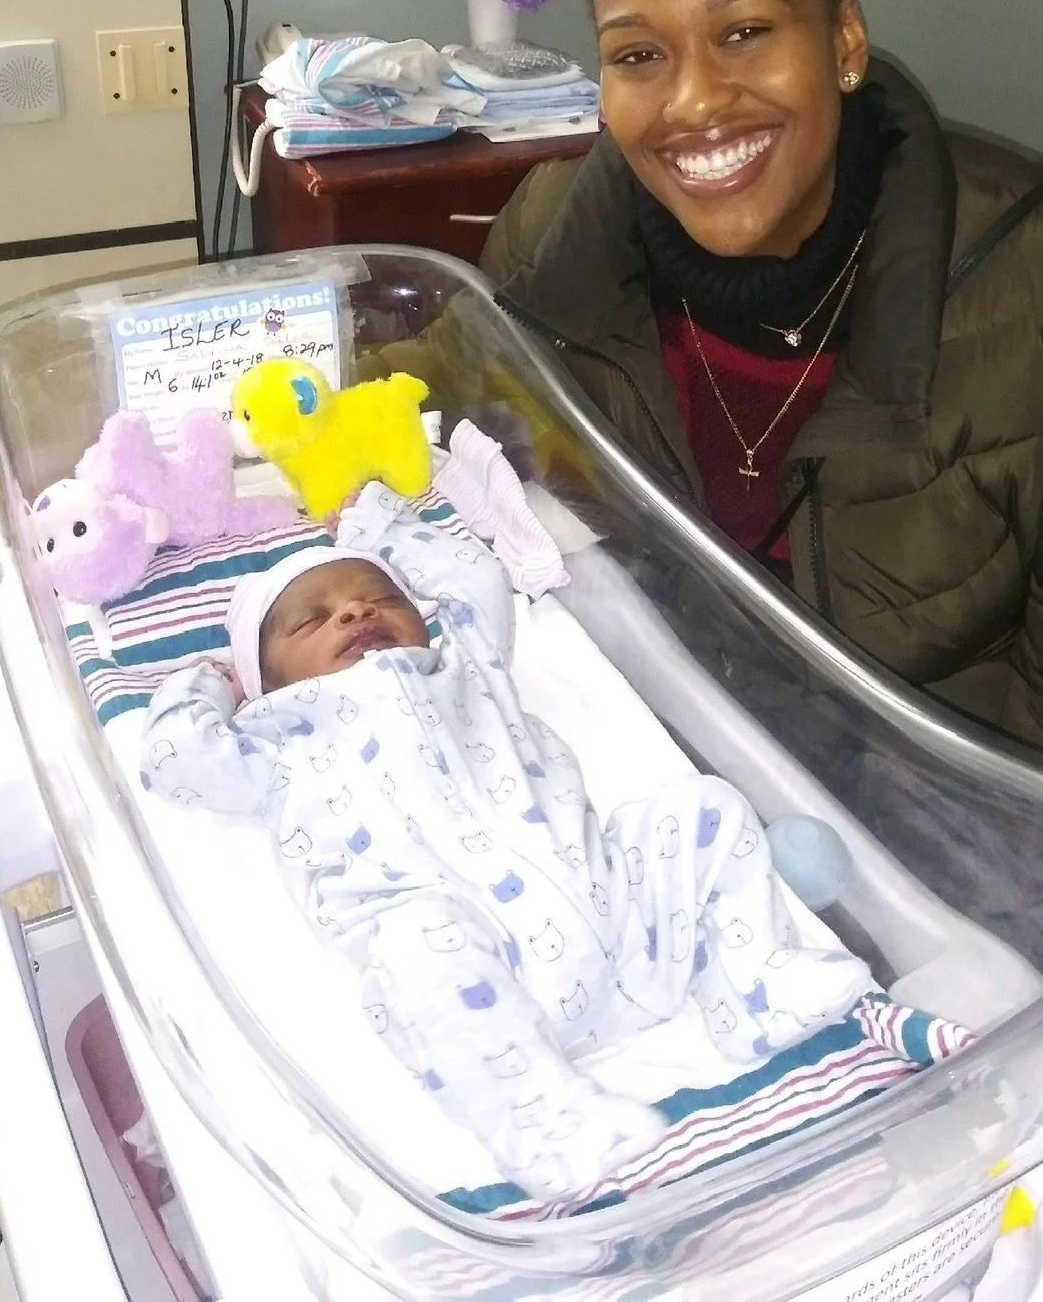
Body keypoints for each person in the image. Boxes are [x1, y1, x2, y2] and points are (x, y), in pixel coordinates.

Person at [481, 0, 1043, 807]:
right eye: (638, 54)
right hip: (642, 795)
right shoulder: (544, 245)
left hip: (928, 824)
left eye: (743, 32)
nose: (690, 102)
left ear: (844, 38)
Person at [139, 481, 965, 1201]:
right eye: (311, 621)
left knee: (700, 807)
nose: (354, 612)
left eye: (375, 598)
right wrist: (205, 680)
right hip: (490, 993)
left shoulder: (468, 665)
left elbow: (472, 577)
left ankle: (754, 986)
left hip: (626, 928)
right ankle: (541, 1121)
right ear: (266, 683)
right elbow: (173, 760)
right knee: (415, 945)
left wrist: (378, 524)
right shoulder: (277, 744)